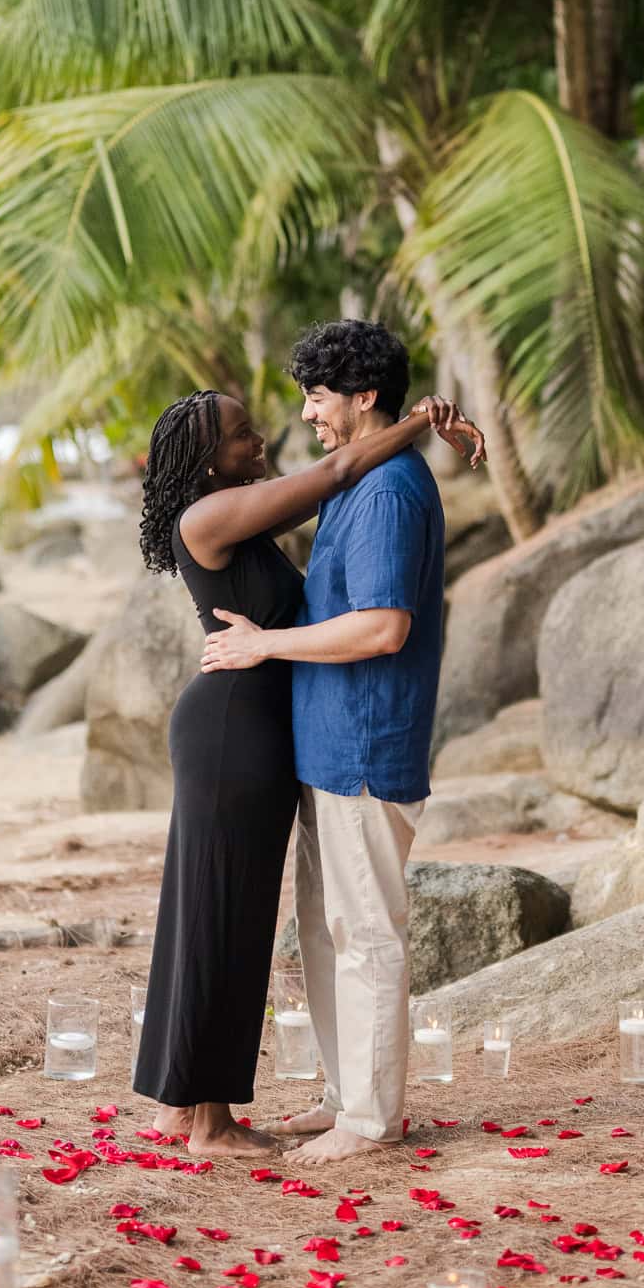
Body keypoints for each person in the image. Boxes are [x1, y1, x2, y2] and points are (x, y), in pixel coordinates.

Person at [134, 376, 482, 1160]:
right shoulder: (210, 515)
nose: (260, 442)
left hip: (250, 732)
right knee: (223, 917)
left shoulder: (233, 515)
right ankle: (212, 1123)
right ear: (206, 460)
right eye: (241, 436)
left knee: (208, 912)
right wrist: (422, 418)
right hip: (231, 733)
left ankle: (178, 1103)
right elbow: (333, 475)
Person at [200, 319, 455, 1163]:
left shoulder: (387, 493)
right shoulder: (362, 479)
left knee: (366, 935)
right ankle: (348, 1096)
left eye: (316, 397)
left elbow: (382, 626)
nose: (307, 414)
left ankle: (372, 1120)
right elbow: (338, 587)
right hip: (328, 747)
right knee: (324, 932)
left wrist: (262, 645)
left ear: (363, 396)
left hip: (367, 746)